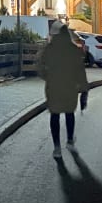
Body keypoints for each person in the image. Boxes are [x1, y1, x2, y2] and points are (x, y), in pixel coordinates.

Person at [38, 23, 89, 158]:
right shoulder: (73, 50)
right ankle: (70, 140)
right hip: (69, 86)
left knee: (54, 115)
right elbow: (80, 71)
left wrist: (47, 77)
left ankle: (56, 147)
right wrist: (84, 89)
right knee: (69, 113)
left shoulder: (50, 49)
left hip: (54, 86)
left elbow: (40, 65)